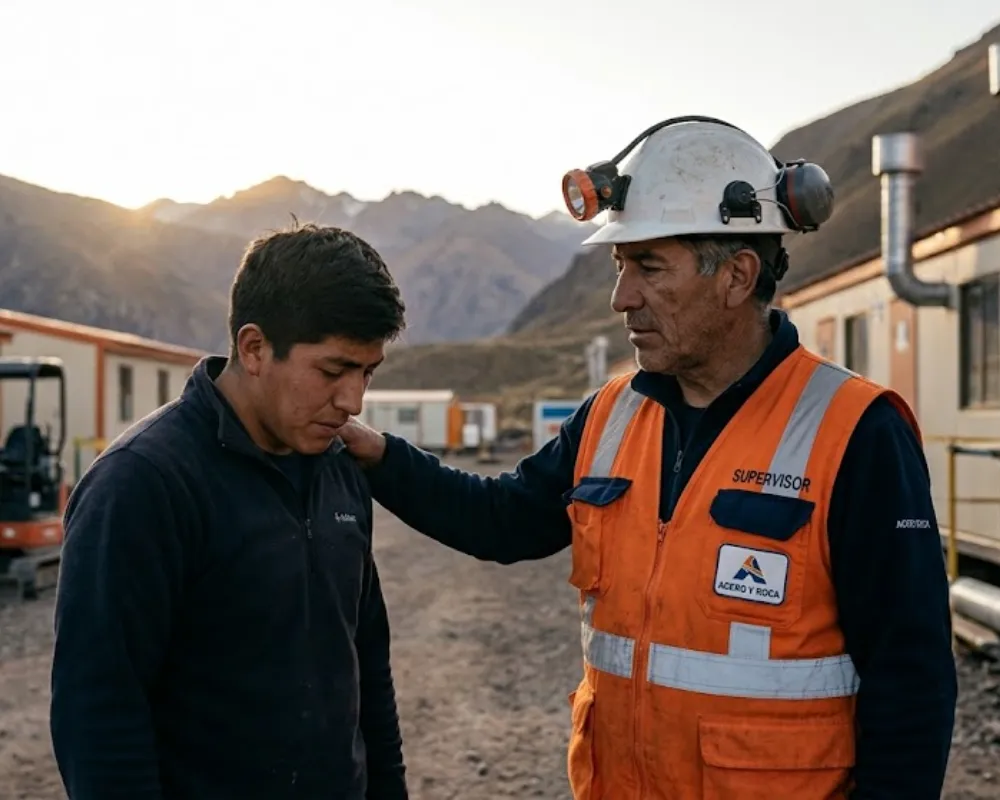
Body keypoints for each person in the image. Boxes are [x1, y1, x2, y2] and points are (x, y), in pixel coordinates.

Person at [337, 117, 958, 798]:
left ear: (737, 276)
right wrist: (378, 456)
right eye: (619, 266)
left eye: (649, 268)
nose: (620, 298)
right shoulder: (610, 415)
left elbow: (911, 680)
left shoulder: (856, 433)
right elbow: (503, 520)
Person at [49, 223, 410, 799]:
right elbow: (98, 715)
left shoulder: (340, 467)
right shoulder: (142, 484)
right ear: (254, 348)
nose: (353, 401)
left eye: (367, 373)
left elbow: (367, 666)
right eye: (333, 371)